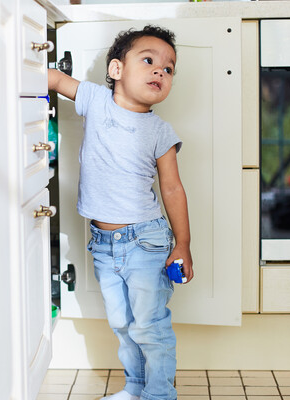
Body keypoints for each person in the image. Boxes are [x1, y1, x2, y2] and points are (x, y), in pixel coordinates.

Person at [49, 25, 193, 400]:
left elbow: (173, 189)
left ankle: (160, 394)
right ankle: (135, 387)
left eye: (169, 68)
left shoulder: (160, 131)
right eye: (149, 60)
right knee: (122, 324)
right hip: (103, 244)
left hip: (146, 241)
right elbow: (55, 79)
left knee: (150, 326)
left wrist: (184, 244)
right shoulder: (96, 100)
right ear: (116, 70)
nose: (160, 71)